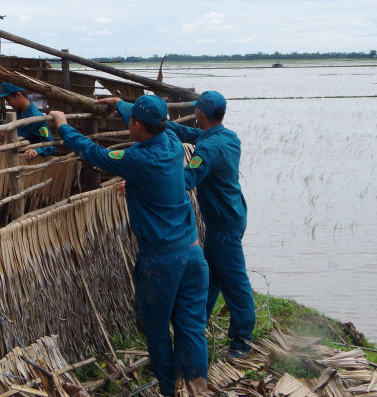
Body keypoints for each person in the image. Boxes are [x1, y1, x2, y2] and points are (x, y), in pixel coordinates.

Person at [50, 96, 208, 397]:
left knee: (157, 328)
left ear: (137, 124)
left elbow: (93, 153)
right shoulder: (172, 140)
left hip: (161, 260)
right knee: (191, 328)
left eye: (131, 119)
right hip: (192, 252)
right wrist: (121, 104)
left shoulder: (137, 159)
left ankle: (168, 390)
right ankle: (197, 389)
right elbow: (145, 125)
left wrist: (63, 126)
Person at [167, 91, 255, 359]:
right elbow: (187, 133)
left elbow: (186, 179)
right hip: (231, 217)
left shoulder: (209, 148)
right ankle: (195, 327)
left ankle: (242, 340)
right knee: (210, 278)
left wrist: (145, 180)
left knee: (234, 282)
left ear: (200, 113)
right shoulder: (226, 137)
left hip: (224, 226)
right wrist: (158, 123)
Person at [0, 83, 55, 161]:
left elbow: (50, 145)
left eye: (8, 100)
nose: (8, 104)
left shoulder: (36, 118)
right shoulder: (15, 114)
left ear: (18, 95)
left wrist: (36, 150)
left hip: (28, 162)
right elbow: (6, 125)